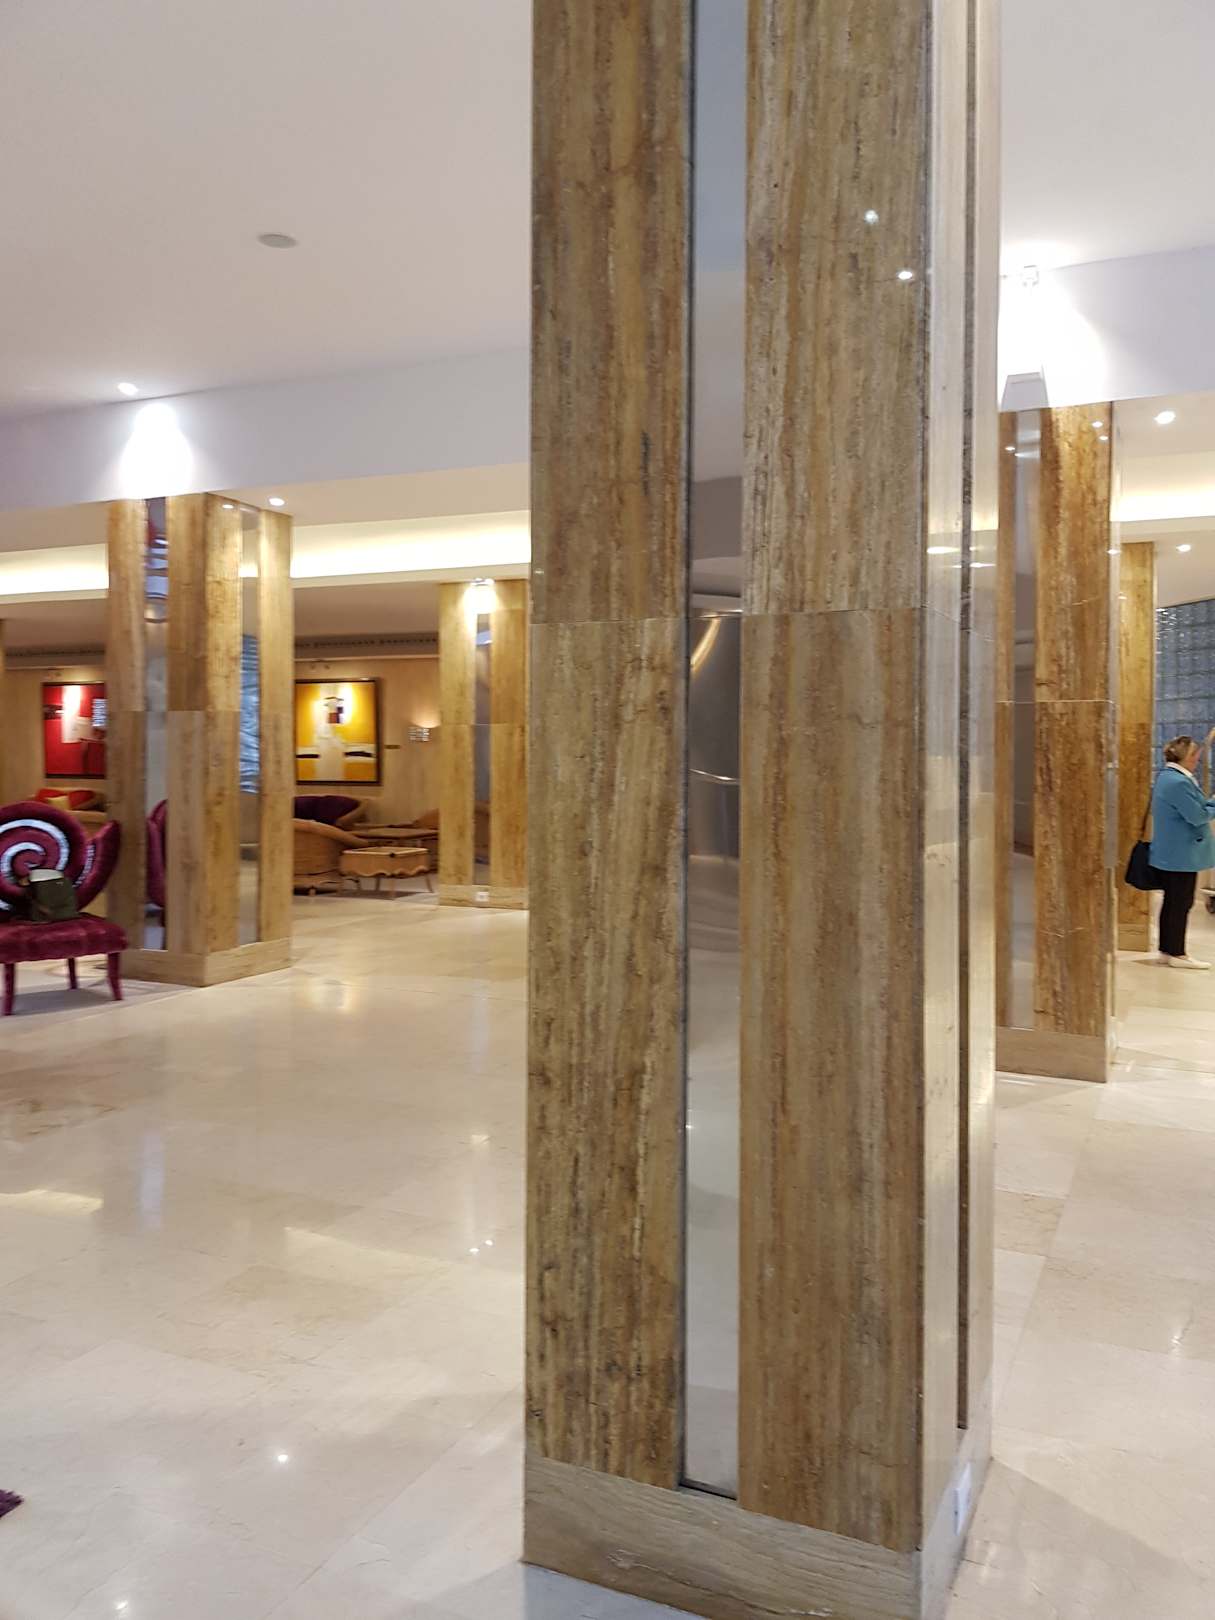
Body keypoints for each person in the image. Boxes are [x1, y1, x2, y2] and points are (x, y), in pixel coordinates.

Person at [1149, 732, 1215, 969]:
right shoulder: (1178, 782)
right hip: (1181, 855)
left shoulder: (1167, 777)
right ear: (1186, 757)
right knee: (1180, 903)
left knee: (1173, 902)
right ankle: (1177, 953)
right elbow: (1197, 815)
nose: (1197, 758)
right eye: (1194, 754)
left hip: (1173, 853)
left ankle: (1167, 950)